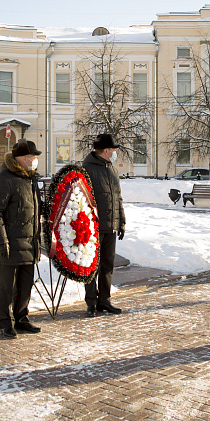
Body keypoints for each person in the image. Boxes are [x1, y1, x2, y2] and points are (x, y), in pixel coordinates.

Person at [0, 138, 43, 339]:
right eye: (33, 157)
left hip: (30, 241)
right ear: (22, 159)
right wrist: (1, 241)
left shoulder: (30, 179)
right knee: (7, 287)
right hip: (10, 242)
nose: (35, 161)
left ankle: (21, 318)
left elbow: (36, 209)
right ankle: (5, 322)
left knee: (25, 284)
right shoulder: (4, 180)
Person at [82, 133, 126, 316]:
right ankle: (91, 302)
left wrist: (121, 221)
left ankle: (104, 300)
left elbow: (118, 198)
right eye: (114, 149)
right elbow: (81, 200)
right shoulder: (86, 169)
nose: (115, 152)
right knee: (91, 265)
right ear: (107, 150)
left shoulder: (112, 169)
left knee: (107, 264)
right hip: (93, 228)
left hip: (111, 225)